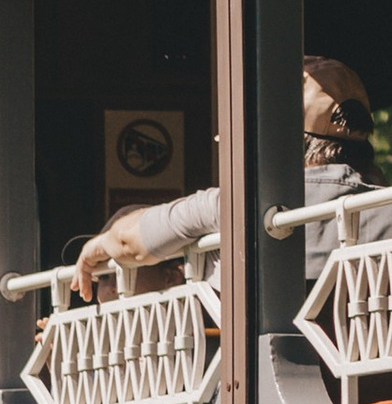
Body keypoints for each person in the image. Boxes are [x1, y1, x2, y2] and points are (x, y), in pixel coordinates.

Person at [74, 57, 375, 295]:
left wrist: (93, 249)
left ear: (272, 143)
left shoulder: (234, 205)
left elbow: (128, 243)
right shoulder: (382, 208)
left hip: (255, 370)